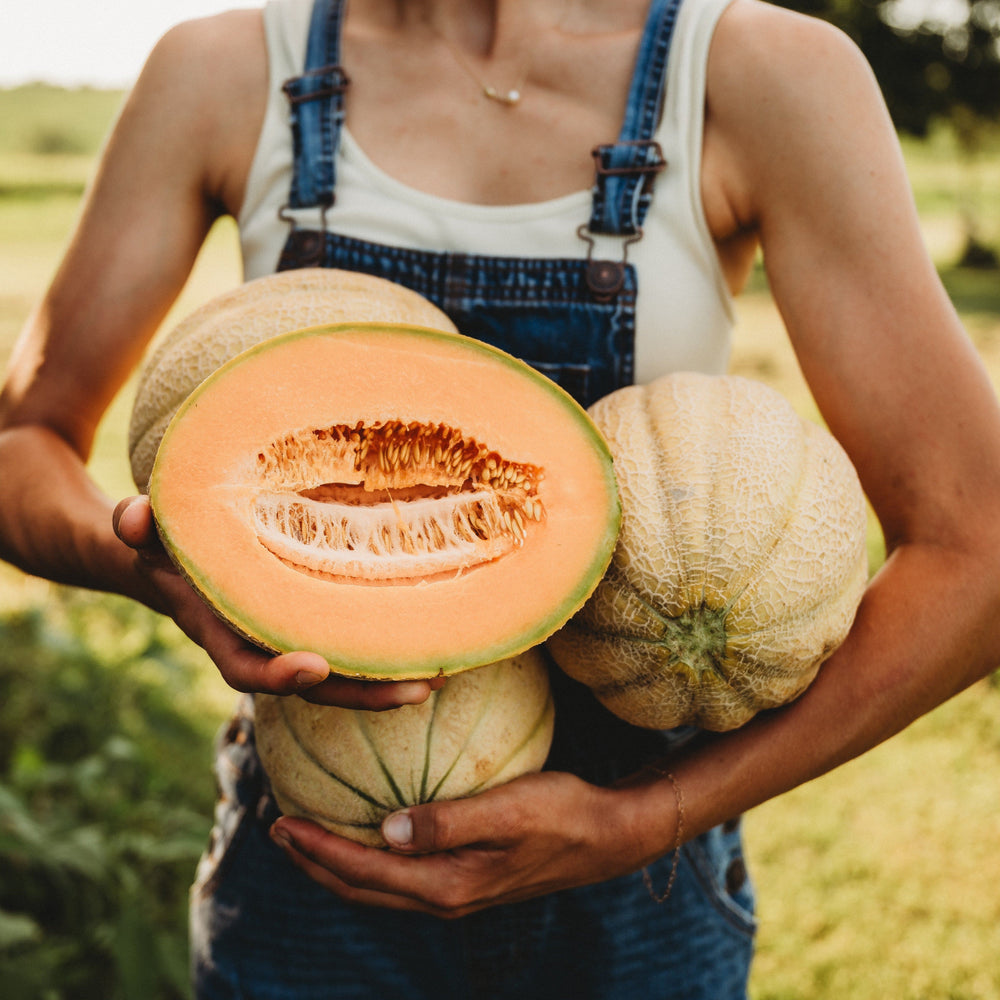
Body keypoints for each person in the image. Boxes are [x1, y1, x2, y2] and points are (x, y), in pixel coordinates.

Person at [3, 0, 1000, 996]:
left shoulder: (760, 74)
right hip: (312, 860)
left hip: (638, 894)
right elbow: (22, 442)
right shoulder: (220, 68)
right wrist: (154, 570)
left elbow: (978, 550)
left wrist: (639, 821)